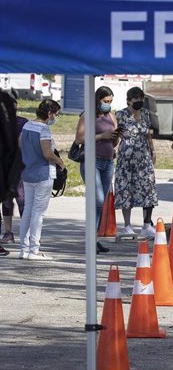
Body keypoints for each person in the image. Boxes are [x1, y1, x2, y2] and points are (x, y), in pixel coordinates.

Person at [18, 99, 65, 260]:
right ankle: (34, 250)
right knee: (38, 213)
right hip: (43, 173)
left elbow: (20, 145)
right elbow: (47, 153)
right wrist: (60, 161)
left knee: (28, 211)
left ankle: (23, 249)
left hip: (27, 172)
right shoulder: (43, 129)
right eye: (56, 114)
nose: (55, 118)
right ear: (50, 113)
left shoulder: (26, 126)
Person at [74, 86, 118, 253]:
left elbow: (114, 142)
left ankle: (95, 239)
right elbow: (79, 139)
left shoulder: (111, 116)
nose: (108, 105)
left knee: (102, 202)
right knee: (98, 200)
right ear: (98, 100)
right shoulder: (88, 115)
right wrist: (101, 136)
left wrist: (116, 137)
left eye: (110, 102)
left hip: (108, 161)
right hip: (92, 161)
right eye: (105, 101)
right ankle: (90, 239)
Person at [114, 86, 158, 239]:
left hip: (144, 157)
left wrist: (153, 151)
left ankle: (147, 224)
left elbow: (148, 135)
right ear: (129, 100)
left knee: (148, 187)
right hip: (126, 158)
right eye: (136, 99)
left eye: (141, 99)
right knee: (126, 188)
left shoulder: (145, 113)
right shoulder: (120, 114)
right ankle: (127, 226)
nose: (139, 102)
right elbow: (116, 134)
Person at [1, 111, 27, 246]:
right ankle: (8, 232)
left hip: (19, 166)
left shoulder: (23, 123)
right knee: (6, 200)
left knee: (22, 198)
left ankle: (26, 233)